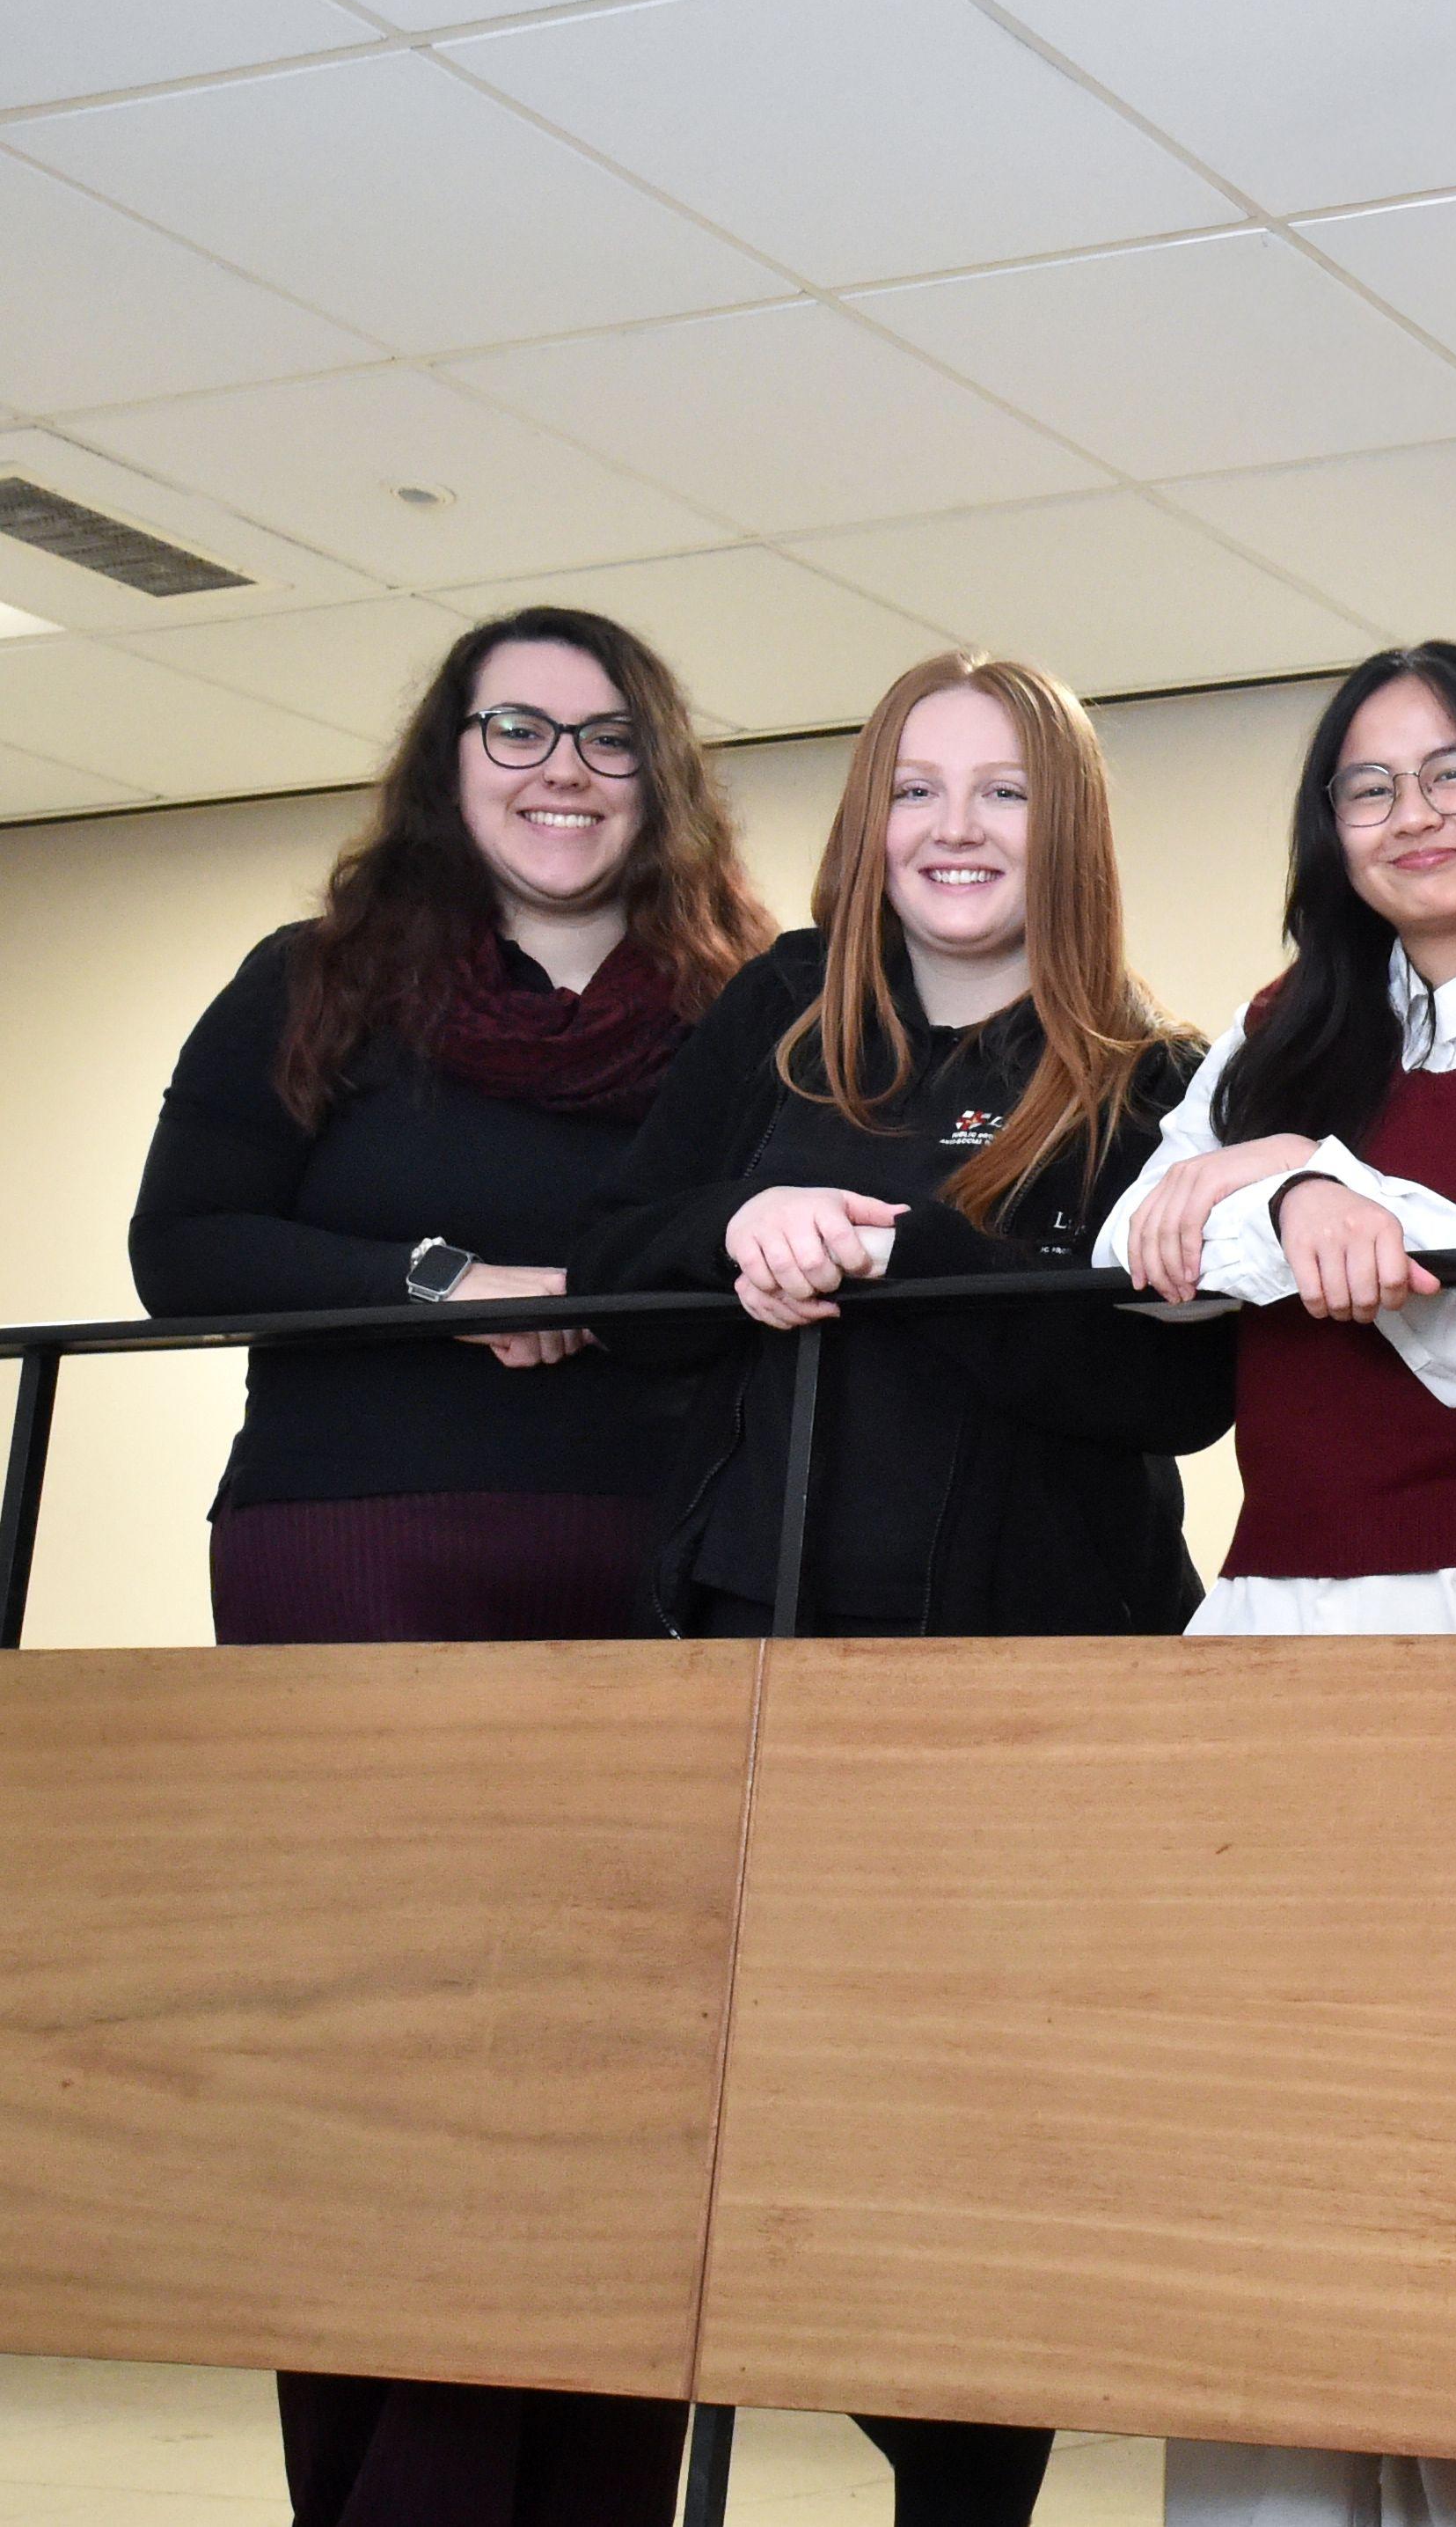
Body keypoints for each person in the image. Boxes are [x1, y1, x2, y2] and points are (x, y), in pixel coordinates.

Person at [127, 604, 767, 2527]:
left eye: (607, 738)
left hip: (647, 1568)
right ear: (448, 758)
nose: (564, 771)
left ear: (660, 776)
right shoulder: (314, 981)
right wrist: (437, 1283)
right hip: (357, 1554)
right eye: (519, 730)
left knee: (608, 2066)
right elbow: (183, 1246)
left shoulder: (745, 1006)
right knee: (389, 2051)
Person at [575, 648, 1229, 2527]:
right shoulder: (779, 1016)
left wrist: (906, 1257)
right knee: (757, 2134)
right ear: (870, 823)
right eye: (918, 789)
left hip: (1026, 1695)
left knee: (974, 2154)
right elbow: (619, 1280)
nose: (956, 828)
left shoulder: (1155, 1079)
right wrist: (735, 1226)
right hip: (752, 1658)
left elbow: (1171, 1390)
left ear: (1067, 827)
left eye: (1004, 790)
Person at [1094, 641, 1456, 2527]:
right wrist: (1288, 1184)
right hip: (1274, 1621)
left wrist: (1310, 1185)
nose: (1410, 815)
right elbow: (1140, 1253)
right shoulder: (1285, 1025)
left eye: (1453, 773)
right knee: (1252, 2157)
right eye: (1366, 786)